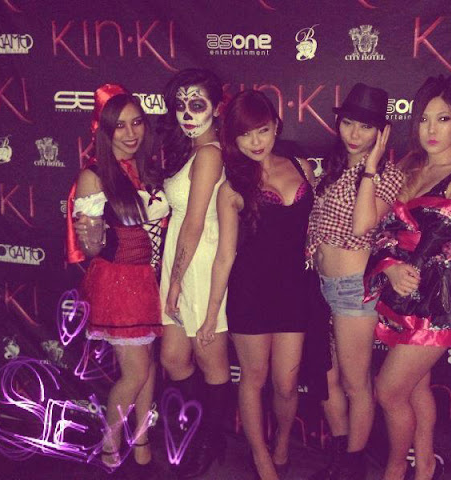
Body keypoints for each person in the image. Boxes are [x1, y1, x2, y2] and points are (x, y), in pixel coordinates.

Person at [364, 75, 451, 480]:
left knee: (388, 390)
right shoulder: (408, 165)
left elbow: (436, 239)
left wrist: (399, 264)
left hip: (436, 298)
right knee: (415, 387)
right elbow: (379, 227)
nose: (432, 129)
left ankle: (396, 468)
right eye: (424, 119)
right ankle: (426, 465)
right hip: (401, 290)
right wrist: (389, 265)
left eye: (443, 118)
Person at [205, 89, 325, 480]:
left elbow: (316, 229)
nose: (255, 142)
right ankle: (260, 456)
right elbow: (225, 256)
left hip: (294, 291)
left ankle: (283, 442)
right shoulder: (231, 188)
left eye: (262, 130)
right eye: (244, 134)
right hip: (250, 292)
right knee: (254, 379)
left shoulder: (301, 166)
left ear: (276, 126)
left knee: (287, 383)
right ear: (233, 138)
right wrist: (211, 314)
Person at [67, 84, 168, 471]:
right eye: (120, 126)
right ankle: (109, 446)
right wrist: (92, 232)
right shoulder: (94, 176)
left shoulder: (147, 169)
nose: (130, 133)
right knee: (136, 373)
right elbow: (92, 249)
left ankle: (140, 440)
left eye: (137, 123)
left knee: (150, 367)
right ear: (104, 132)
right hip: (119, 282)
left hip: (149, 279)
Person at [306, 83, 404, 480]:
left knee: (355, 382)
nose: (354, 133)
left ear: (381, 133)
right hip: (318, 284)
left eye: (365, 127)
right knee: (325, 377)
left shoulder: (389, 175)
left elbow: (364, 224)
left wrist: (371, 165)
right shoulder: (331, 169)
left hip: (352, 288)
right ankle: (339, 457)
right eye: (348, 123)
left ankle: (353, 465)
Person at [158, 68, 230, 477]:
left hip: (199, 264)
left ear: (216, 108)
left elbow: (195, 222)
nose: (187, 113)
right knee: (173, 357)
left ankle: (210, 440)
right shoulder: (190, 150)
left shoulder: (209, 154)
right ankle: (200, 429)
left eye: (197, 104)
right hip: (179, 259)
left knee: (210, 359)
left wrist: (175, 282)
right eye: (180, 105)